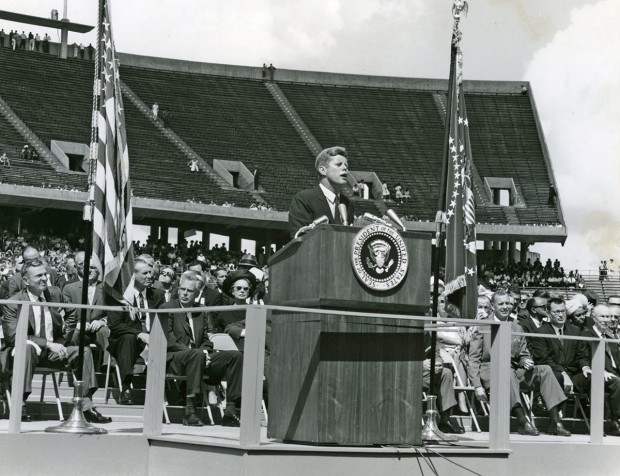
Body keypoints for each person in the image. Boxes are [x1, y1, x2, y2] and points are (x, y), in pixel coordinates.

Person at [1, 259, 111, 423]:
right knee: (27, 347)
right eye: (39, 276)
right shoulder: (13, 303)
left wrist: (62, 340)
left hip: (51, 354)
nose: (45, 278)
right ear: (25, 280)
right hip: (23, 355)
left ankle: (86, 406)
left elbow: (72, 313)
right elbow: (13, 337)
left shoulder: (54, 294)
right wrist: (48, 344)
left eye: (45, 274)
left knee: (83, 352)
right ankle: (20, 403)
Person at [467, 290, 570, 436]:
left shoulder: (517, 326)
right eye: (501, 303)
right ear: (493, 306)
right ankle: (522, 421)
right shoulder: (483, 326)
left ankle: (555, 421)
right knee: (507, 372)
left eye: (508, 303)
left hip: (514, 371)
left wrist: (526, 360)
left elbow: (523, 353)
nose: (505, 306)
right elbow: (473, 358)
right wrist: (477, 385)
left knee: (545, 369)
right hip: (491, 371)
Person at [160, 271, 243, 426]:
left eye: (190, 291)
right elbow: (169, 339)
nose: (185, 293)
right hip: (174, 358)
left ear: (197, 294)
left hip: (199, 358)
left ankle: (230, 411)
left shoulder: (202, 310)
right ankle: (190, 411)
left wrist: (205, 352)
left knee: (235, 356)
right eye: (182, 289)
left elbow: (206, 339)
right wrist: (196, 353)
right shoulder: (167, 308)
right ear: (177, 290)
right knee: (196, 354)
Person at [107, 258, 165, 405]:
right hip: (125, 341)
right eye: (145, 273)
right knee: (128, 339)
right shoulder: (118, 295)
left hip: (154, 339)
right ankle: (126, 388)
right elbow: (115, 325)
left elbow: (165, 320)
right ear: (133, 275)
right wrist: (139, 334)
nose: (150, 276)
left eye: (151, 273)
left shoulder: (158, 295)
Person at [288, 146, 354, 238]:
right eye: (339, 164)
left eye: (346, 166)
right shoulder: (304, 199)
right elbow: (299, 238)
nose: (345, 168)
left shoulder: (347, 203)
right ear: (322, 170)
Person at [577, 305, 620, 435]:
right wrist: (594, 370)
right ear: (593, 317)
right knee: (616, 382)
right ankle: (615, 420)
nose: (606, 320)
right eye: (602, 316)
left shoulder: (611, 338)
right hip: (594, 374)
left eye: (608, 317)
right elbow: (582, 357)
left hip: (612, 374)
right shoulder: (586, 334)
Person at [62, 253, 111, 365]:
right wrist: (77, 323)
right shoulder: (69, 288)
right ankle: (76, 365)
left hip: (98, 328)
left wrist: (102, 321)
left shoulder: (107, 289)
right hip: (79, 328)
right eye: (86, 267)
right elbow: (67, 313)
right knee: (74, 333)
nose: (89, 270)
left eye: (93, 268)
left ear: (98, 271)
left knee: (107, 333)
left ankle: (109, 368)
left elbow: (113, 312)